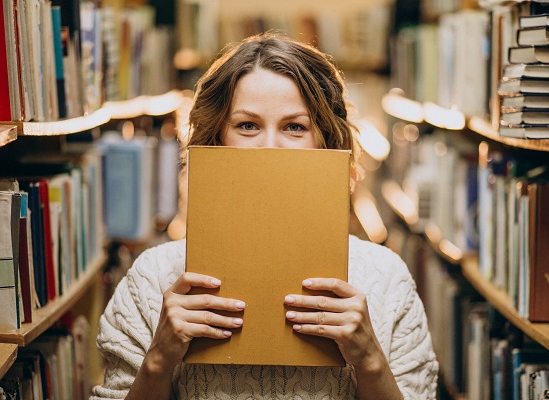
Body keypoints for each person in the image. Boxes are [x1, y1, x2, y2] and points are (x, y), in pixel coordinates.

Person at [91, 32, 438, 400]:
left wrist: (369, 360)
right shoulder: (152, 278)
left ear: (326, 143)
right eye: (247, 125)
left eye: (294, 127)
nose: (270, 147)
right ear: (216, 139)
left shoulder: (387, 279)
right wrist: (159, 361)